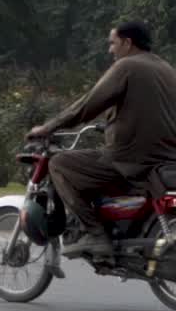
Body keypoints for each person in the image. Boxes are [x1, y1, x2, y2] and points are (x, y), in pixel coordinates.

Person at [27, 22, 176, 257]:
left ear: (128, 43)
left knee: (60, 164)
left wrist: (49, 127)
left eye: (112, 43)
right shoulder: (166, 68)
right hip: (165, 160)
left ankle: (96, 235)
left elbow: (87, 105)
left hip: (130, 159)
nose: (110, 50)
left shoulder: (127, 66)